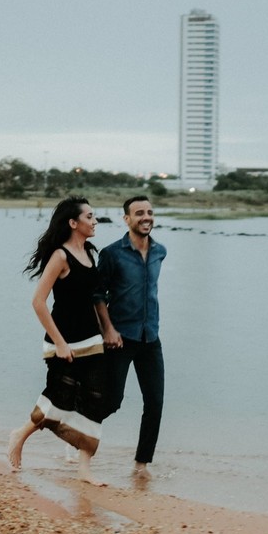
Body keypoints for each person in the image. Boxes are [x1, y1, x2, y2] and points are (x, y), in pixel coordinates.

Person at [7, 196, 109, 486]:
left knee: (95, 401)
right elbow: (38, 302)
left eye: (94, 216)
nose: (95, 221)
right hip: (62, 340)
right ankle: (20, 435)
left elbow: (93, 299)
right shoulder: (60, 256)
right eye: (89, 217)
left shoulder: (89, 252)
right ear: (73, 223)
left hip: (91, 339)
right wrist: (60, 342)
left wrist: (106, 330)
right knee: (59, 398)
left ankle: (84, 469)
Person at [94, 195, 167, 480]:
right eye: (139, 213)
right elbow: (98, 294)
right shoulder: (112, 254)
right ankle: (78, 439)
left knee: (155, 403)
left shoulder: (160, 251)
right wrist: (108, 330)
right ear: (126, 219)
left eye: (149, 212)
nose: (146, 217)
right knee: (112, 400)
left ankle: (141, 465)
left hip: (151, 337)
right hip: (121, 337)